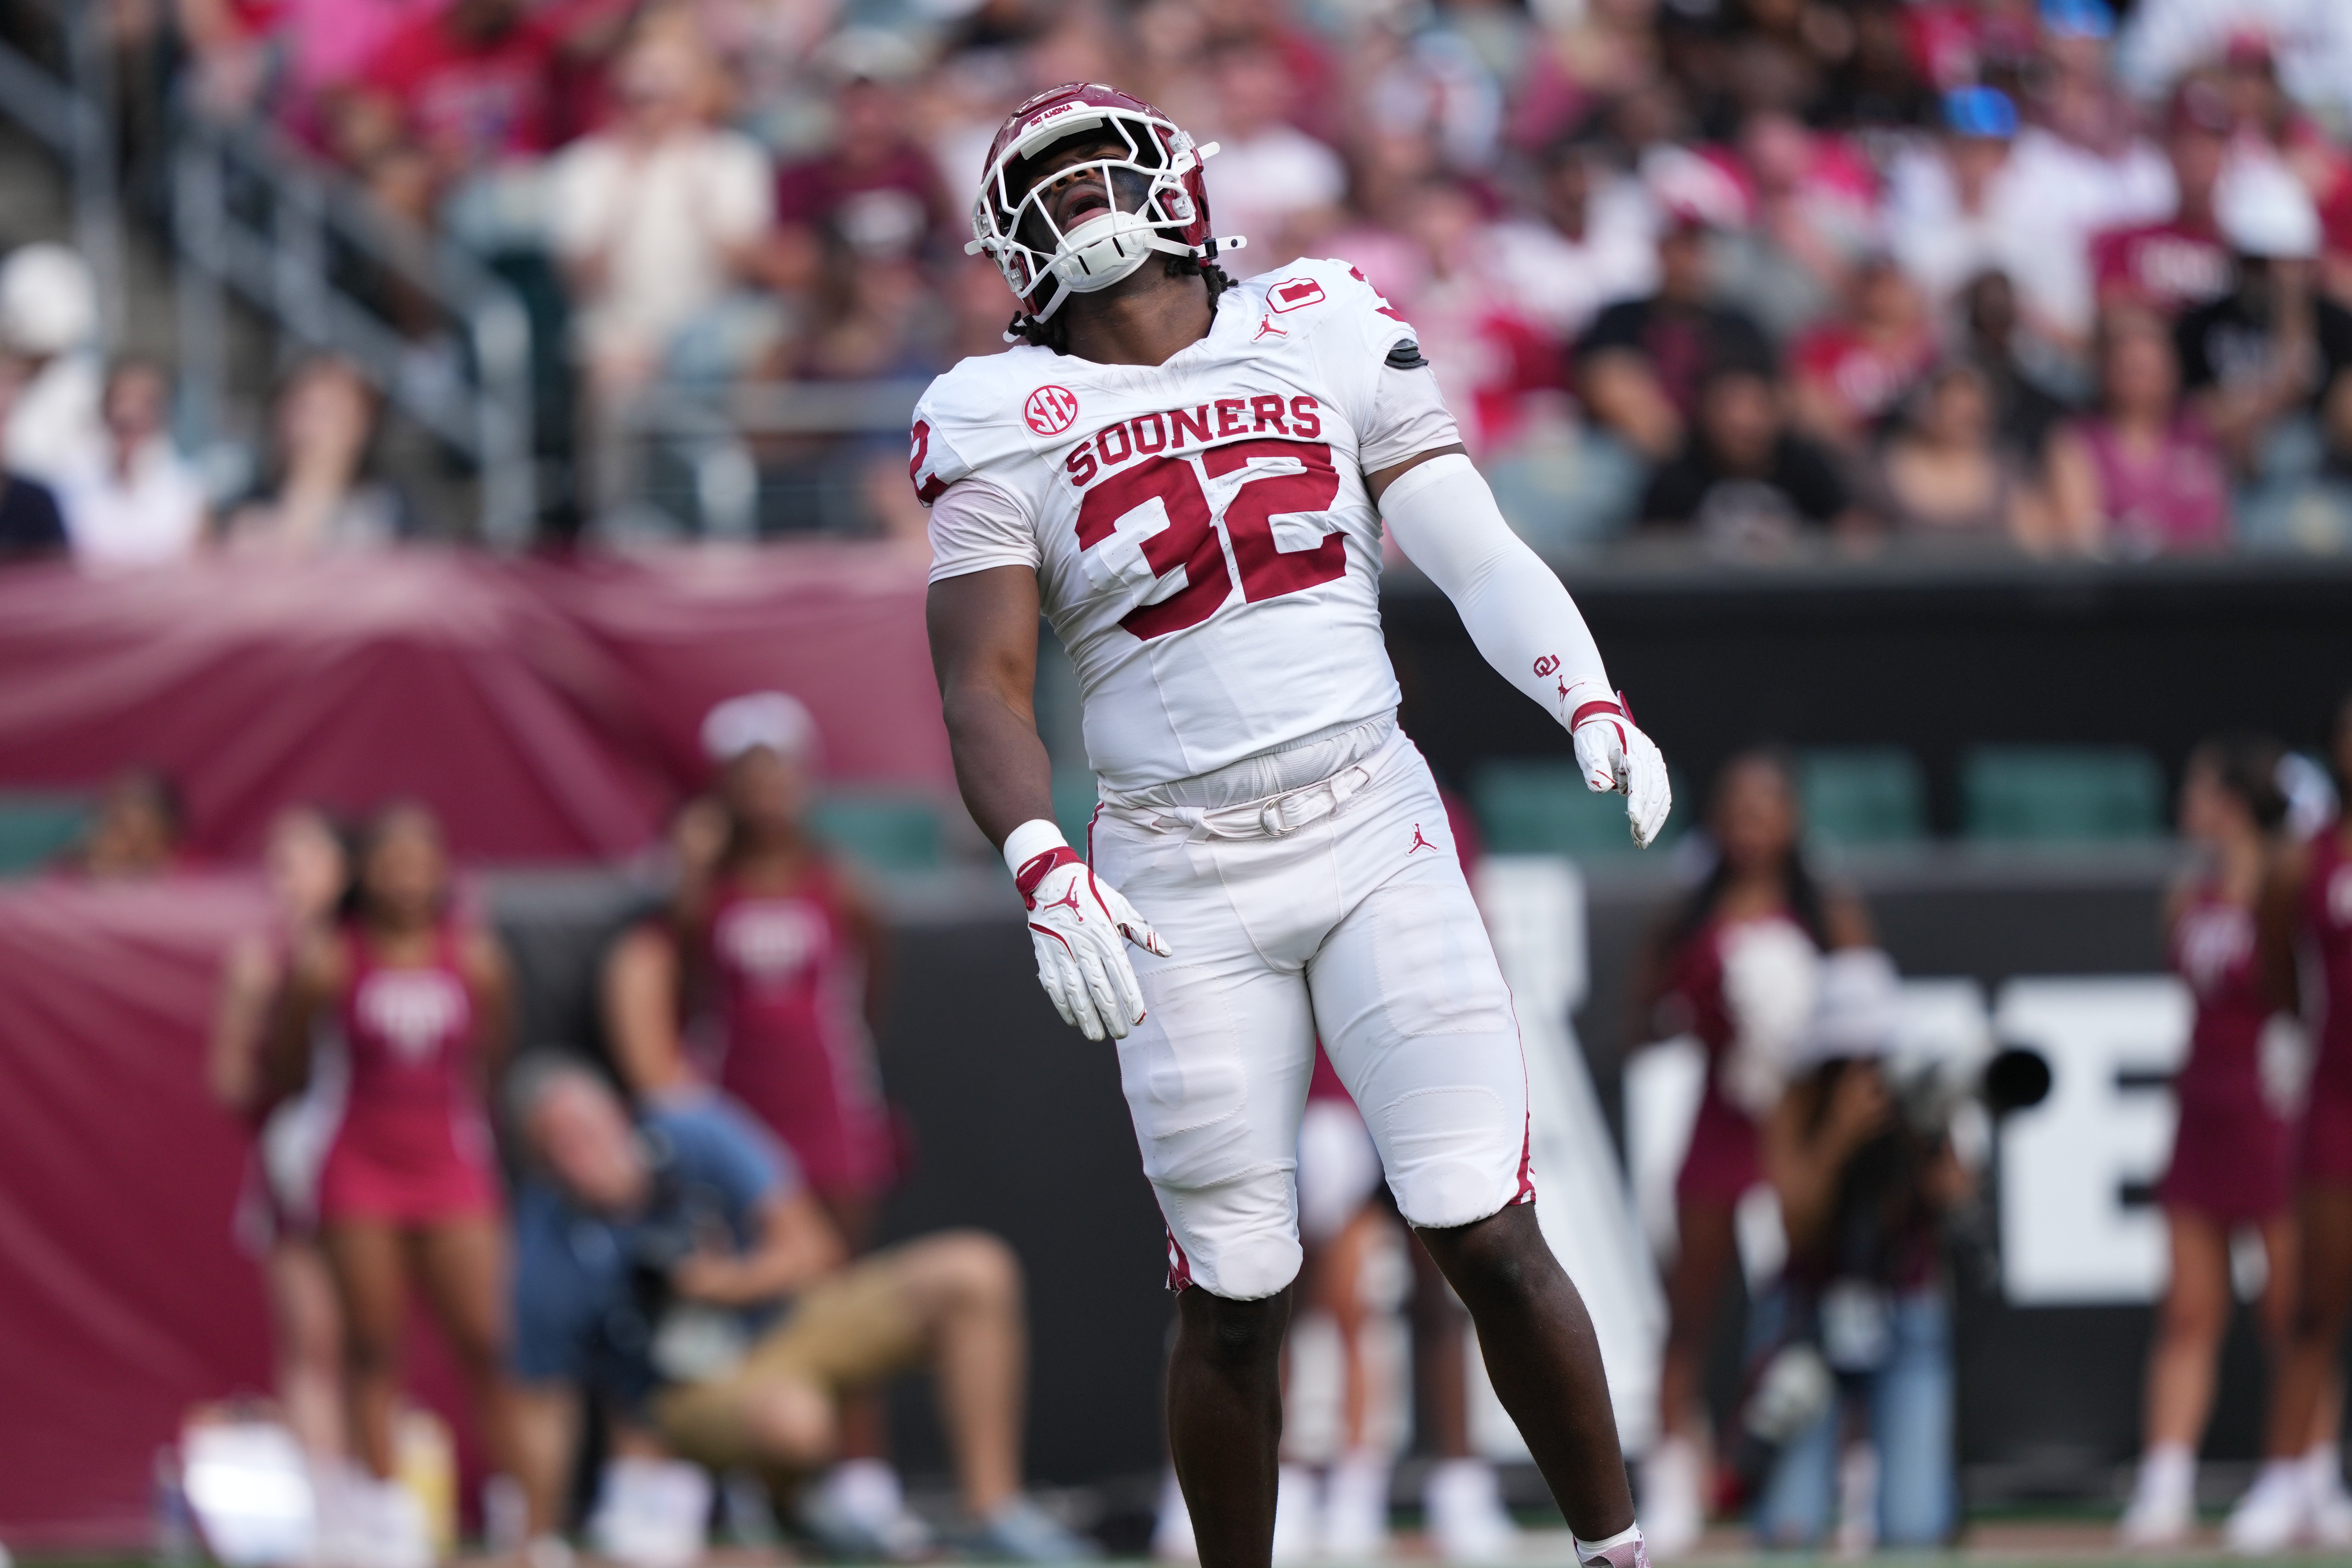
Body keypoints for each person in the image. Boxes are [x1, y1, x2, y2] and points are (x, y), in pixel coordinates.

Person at [918, 82, 1670, 1568]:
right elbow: (982, 684)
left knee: (1482, 1223)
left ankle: (1616, 1556)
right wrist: (1037, 859)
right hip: (1173, 866)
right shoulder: (993, 412)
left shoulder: (1321, 317)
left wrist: (1586, 693)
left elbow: (1466, 543)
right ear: (1008, 239)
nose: (1082, 209)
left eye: (1098, 176)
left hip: (1370, 818)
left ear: (1179, 187)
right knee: (1235, 1283)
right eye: (1048, 193)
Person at [504, 1055, 1095, 1563]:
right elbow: (544, 1404)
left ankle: (994, 1507)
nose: (591, 1152)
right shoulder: (547, 1247)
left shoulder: (692, 1131)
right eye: (565, 1144)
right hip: (689, 1392)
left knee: (975, 1270)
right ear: (546, 1166)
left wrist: (726, 1282)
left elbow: (815, 1246)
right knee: (795, 1418)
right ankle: (804, 1508)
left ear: (619, 1110)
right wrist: (535, 1538)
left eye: (593, 1126)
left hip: (786, 1322)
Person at [266, 802, 528, 1564]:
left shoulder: (475, 959)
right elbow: (285, 1066)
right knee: (372, 1345)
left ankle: (521, 1514)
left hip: (450, 1166)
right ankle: (385, 1521)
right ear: (362, 874)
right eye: (389, 861)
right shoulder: (331, 961)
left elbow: (492, 1057)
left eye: (421, 860)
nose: (406, 877)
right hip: (359, 1170)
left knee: (488, 1341)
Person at [1630, 750, 1872, 1559]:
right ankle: (1672, 1484)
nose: (1749, 822)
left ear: (1792, 818)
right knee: (1689, 1306)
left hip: (1797, 1130)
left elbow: (1867, 1022)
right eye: (1734, 806)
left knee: (1812, 1305)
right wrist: (1700, 1016)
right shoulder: (1691, 910)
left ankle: (1839, 1476)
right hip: (1717, 1119)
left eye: (1765, 805)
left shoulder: (1822, 910)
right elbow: (1641, 1014)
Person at [2119, 737, 2328, 1545]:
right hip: (2198, 1113)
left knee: (2289, 1308)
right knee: (2186, 1306)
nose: (2187, 803)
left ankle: (2310, 1477)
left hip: (2268, 1114)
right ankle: (2163, 1483)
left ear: (2230, 801)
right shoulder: (2187, 893)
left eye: (2201, 788)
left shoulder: (2285, 885)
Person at [1748, 949, 1965, 1551]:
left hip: (1905, 1303)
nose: (1864, 1071)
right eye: (1846, 1057)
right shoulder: (1794, 1102)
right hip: (1806, 1315)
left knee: (1915, 1529)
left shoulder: (1916, 1097)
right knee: (1788, 1530)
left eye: (1875, 1055)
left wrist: (1931, 1123)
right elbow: (1795, 1225)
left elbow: (1956, 1199)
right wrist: (1839, 1135)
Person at [678, 692, 899, 1241]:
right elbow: (689, 993)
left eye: (779, 776)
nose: (766, 795)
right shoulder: (702, 896)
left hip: (830, 1103)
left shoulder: (844, 888)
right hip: (737, 1103)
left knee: (842, 1258)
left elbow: (871, 988)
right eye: (749, 779)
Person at [2232, 695, 2352, 1553]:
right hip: (2339, 1103)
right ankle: (2288, 1478)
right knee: (2313, 1298)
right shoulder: (2298, 866)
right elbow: (2277, 974)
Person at [208, 807, 351, 1468]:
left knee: (371, 1340)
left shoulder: (377, 949)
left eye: (301, 860)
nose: (284, 878)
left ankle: (374, 1492)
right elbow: (230, 1078)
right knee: (312, 1343)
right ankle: (327, 1507)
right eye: (276, 863)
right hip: (301, 1166)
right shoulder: (260, 959)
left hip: (394, 1164)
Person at [2043, 306, 2232, 554]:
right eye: (2133, 368)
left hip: (2201, 581)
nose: (2145, 379)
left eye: (2154, 368)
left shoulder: (2201, 429)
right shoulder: (2078, 440)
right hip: (2120, 587)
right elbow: (2080, 536)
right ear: (2108, 371)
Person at [1638, 364, 1861, 550]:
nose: (1742, 422)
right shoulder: (1676, 476)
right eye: (1727, 408)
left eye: (1757, 406)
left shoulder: (1804, 464)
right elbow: (1654, 554)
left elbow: (1852, 533)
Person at [220, 357, 409, 554]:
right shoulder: (241, 514)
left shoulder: (386, 517)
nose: (309, 427)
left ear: (361, 425)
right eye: (302, 409)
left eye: (327, 412)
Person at [53, 359, 208, 570]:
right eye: (120, 400)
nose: (129, 413)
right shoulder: (67, 486)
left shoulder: (190, 492)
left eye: (147, 402)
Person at [1865, 362, 2033, 545]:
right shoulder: (1883, 470)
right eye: (1953, 409)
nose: (1963, 419)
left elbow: (2032, 540)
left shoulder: (2008, 470)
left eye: (1971, 414)